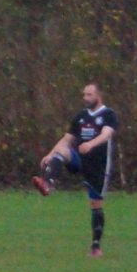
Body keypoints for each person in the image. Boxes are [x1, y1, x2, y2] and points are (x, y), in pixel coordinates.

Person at [35, 82, 119, 256]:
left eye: (89, 95)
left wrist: (90, 144)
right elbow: (67, 139)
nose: (85, 98)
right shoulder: (81, 116)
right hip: (79, 159)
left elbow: (106, 135)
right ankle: (47, 183)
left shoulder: (108, 114)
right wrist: (50, 154)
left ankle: (95, 247)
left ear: (98, 96)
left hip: (98, 165)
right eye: (84, 95)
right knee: (62, 151)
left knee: (96, 203)